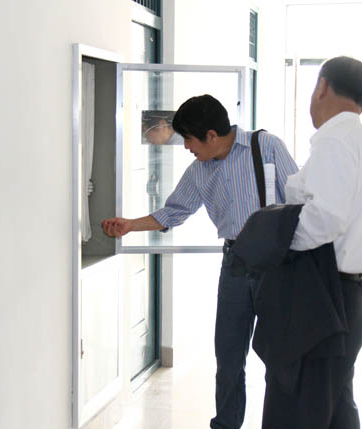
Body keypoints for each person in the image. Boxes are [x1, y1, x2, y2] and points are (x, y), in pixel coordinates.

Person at [101, 94, 298, 429]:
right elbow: (173, 211)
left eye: (189, 140)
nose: (186, 147)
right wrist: (130, 225)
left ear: (211, 135)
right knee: (228, 357)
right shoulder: (199, 171)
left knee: (280, 357)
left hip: (277, 264)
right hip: (235, 263)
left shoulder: (266, 146)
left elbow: (299, 199)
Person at [259, 56, 362, 428]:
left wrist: (275, 242)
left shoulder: (335, 141)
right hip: (350, 297)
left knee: (299, 408)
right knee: (334, 407)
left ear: (321, 86)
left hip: (320, 299)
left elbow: (325, 218)